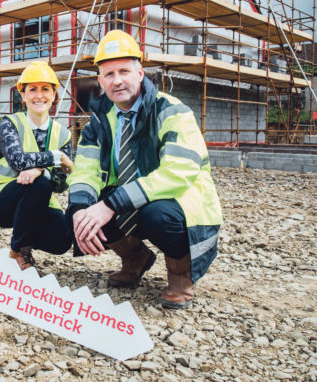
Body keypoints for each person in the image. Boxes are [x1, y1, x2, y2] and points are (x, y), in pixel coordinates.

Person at [66, 30, 222, 309]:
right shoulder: (99, 121)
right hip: (132, 197)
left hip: (180, 202)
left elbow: (178, 172)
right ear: (100, 80)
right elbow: (84, 171)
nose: (117, 80)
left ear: (140, 73)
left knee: (157, 214)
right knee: (88, 210)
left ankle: (180, 276)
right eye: (109, 74)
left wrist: (111, 204)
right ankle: (135, 259)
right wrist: (79, 210)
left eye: (124, 71)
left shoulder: (171, 111)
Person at [0, 61, 74, 270]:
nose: (39, 95)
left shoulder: (63, 134)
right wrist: (56, 158)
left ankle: (26, 236)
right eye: (32, 89)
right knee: (40, 183)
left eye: (45, 89)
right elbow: (18, 161)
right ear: (23, 95)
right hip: (1, 200)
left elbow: (60, 185)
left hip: (37, 202)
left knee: (62, 238)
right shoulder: (9, 124)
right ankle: (19, 249)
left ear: (54, 95)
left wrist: (40, 169)